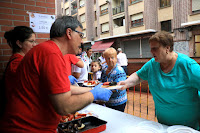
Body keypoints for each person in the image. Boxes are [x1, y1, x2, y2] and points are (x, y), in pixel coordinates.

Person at [0, 16, 113, 133]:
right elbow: (64, 106)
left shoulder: (48, 50)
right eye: (80, 35)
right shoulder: (51, 54)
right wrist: (93, 95)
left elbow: (62, 89)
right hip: (26, 128)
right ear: (69, 33)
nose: (82, 41)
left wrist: (92, 89)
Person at [118, 31, 200, 130]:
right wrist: (126, 83)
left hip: (188, 128)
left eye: (155, 48)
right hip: (163, 125)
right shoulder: (153, 64)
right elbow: (139, 76)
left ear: (167, 48)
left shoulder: (189, 66)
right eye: (151, 48)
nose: (151, 52)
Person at [0, 26, 36, 118]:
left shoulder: (21, 60)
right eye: (31, 41)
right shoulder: (17, 63)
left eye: (34, 41)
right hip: (17, 115)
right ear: (19, 43)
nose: (34, 45)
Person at [101, 48, 127, 112]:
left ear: (116, 58)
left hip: (118, 102)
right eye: (108, 58)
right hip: (107, 101)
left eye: (112, 58)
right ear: (105, 60)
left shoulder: (119, 70)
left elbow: (119, 87)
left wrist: (103, 89)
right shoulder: (104, 69)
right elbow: (102, 81)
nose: (110, 60)